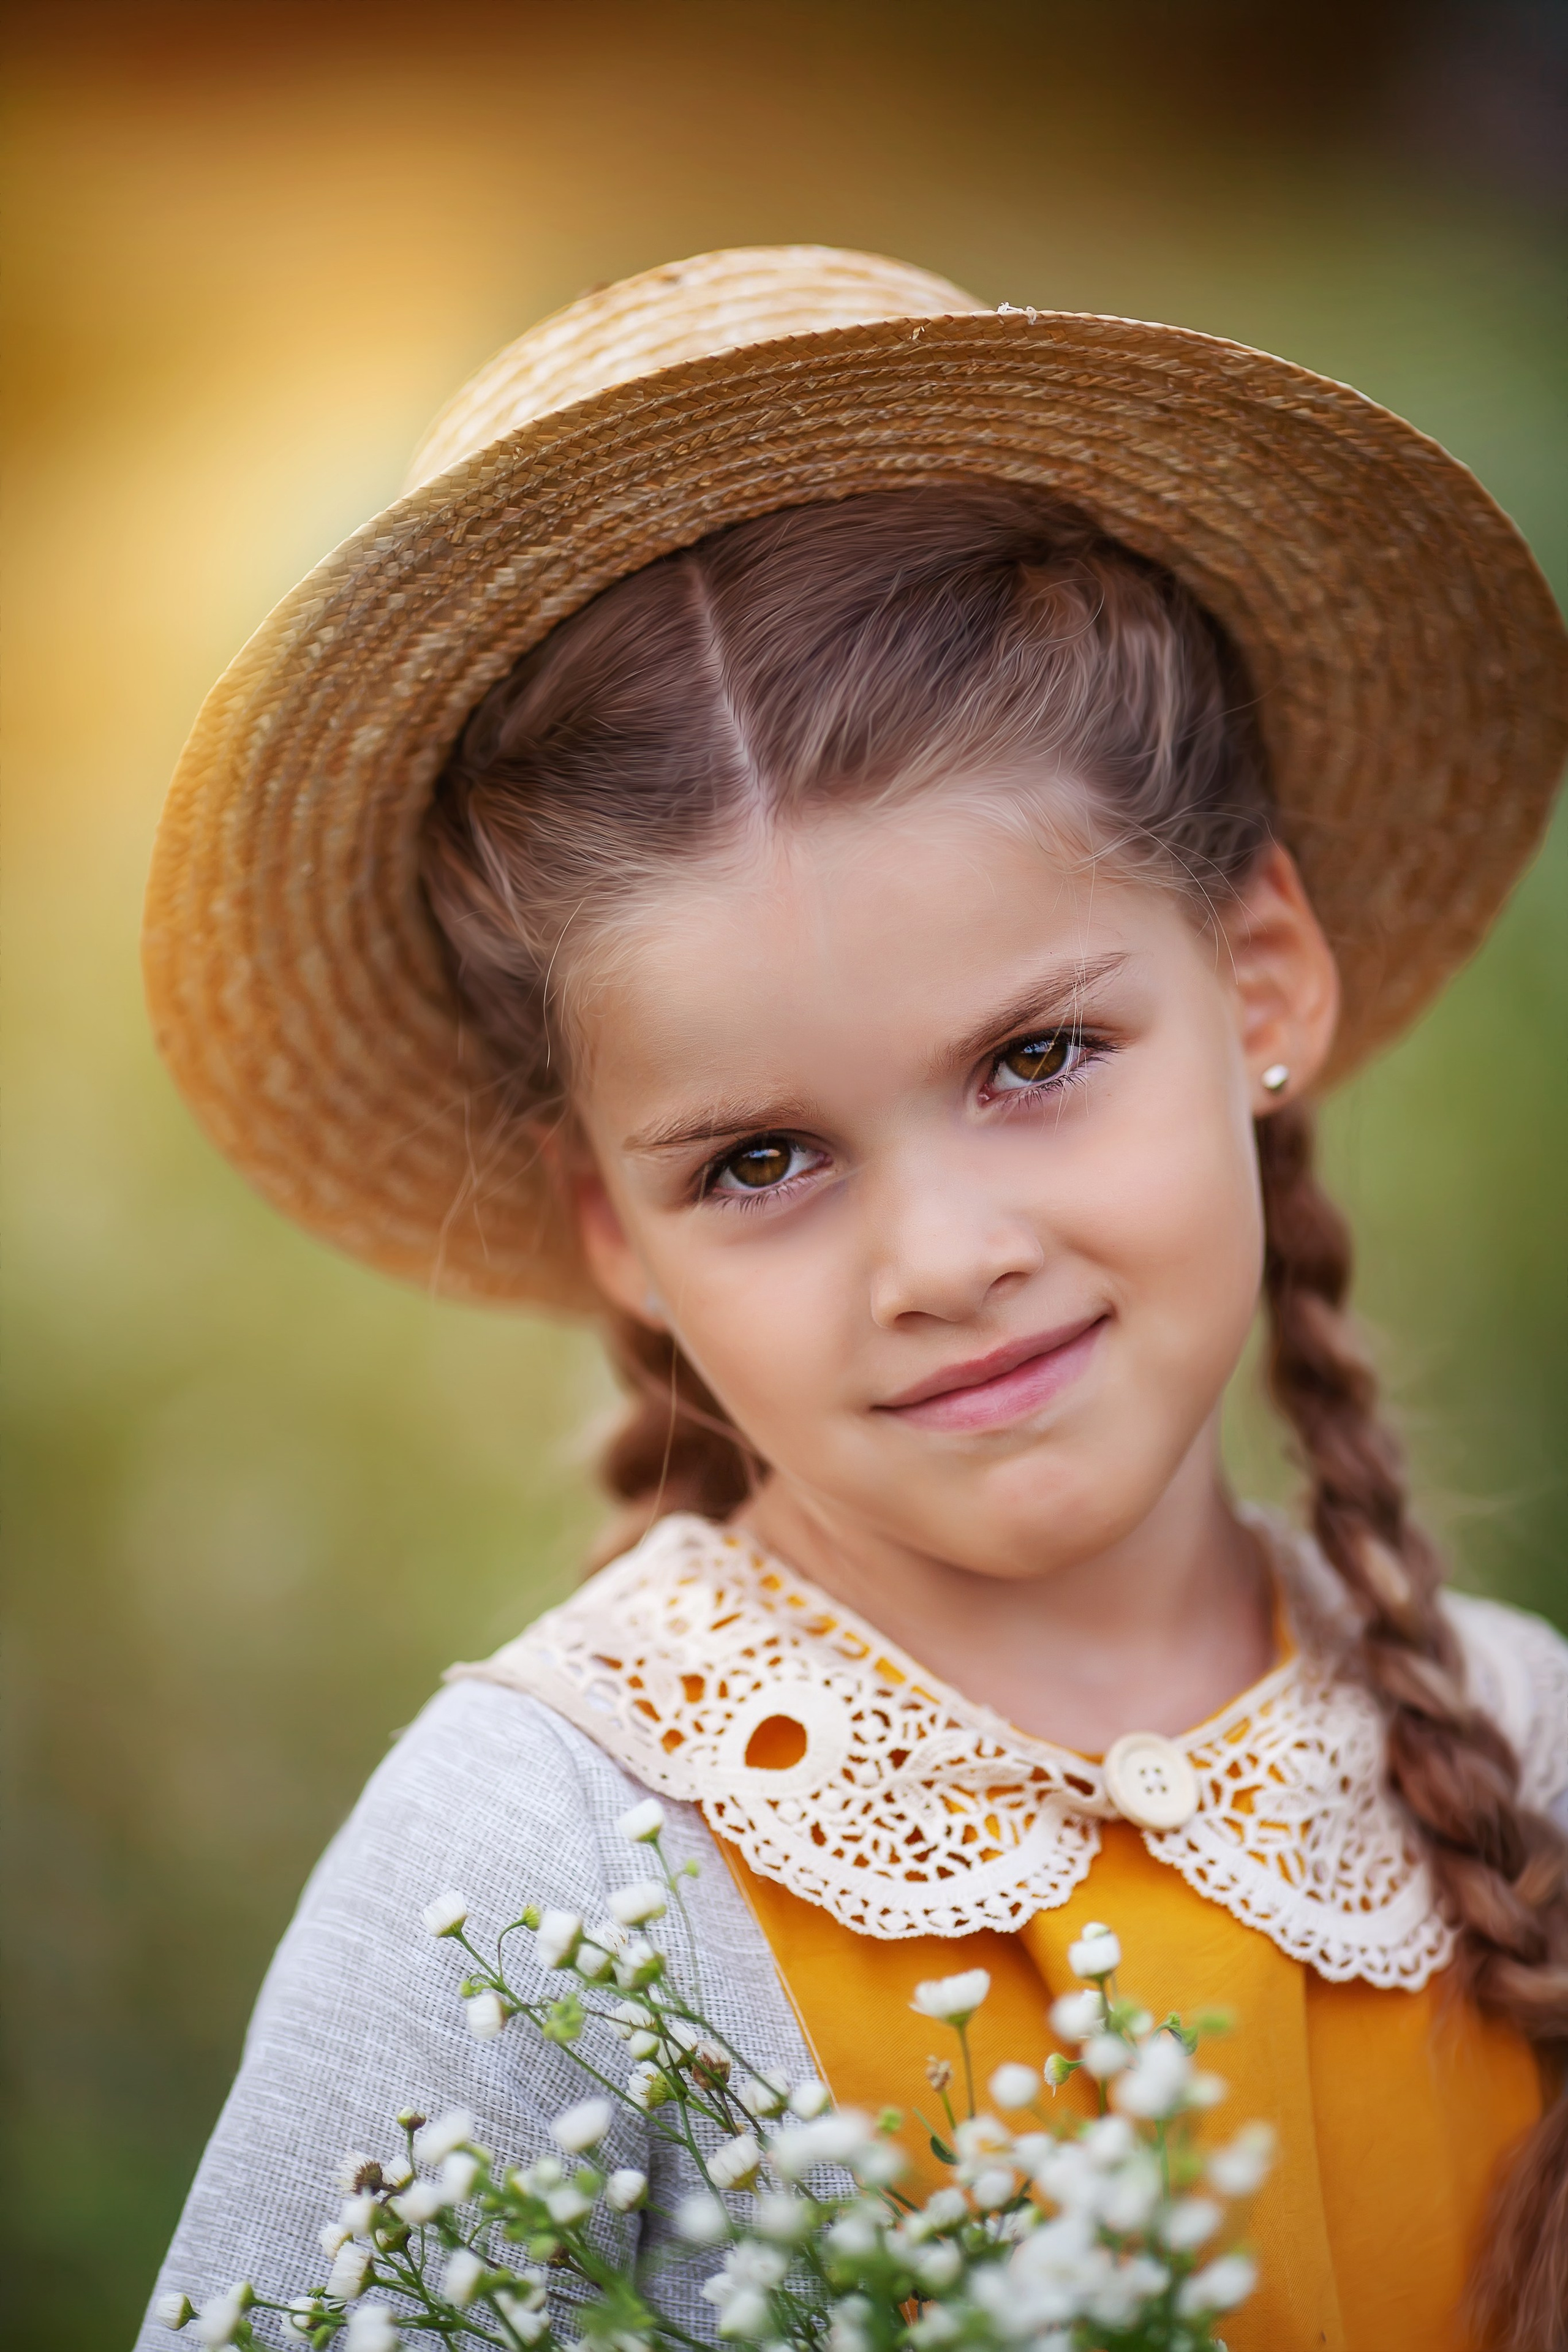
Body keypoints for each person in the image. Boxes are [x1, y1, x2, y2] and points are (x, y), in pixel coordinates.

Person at [138, 247, 1568, 2352]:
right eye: (762, 1161)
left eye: (1037, 1058)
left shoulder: (1527, 1750)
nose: (945, 1261)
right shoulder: (540, 1866)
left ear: (1260, 983)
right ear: (617, 1228)